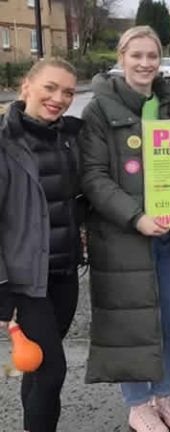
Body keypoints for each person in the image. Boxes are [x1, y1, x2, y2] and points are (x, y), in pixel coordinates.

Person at [80, 26, 170, 432]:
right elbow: (93, 176)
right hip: (125, 238)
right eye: (136, 55)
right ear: (121, 58)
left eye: (152, 56)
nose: (144, 63)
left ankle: (163, 393)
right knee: (134, 323)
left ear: (161, 59)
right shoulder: (98, 110)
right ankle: (138, 403)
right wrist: (136, 216)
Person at [0, 58, 83, 432]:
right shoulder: (4, 143)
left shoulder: (69, 136)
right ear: (26, 87)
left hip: (64, 274)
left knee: (36, 368)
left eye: (67, 92)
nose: (59, 98)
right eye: (50, 87)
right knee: (53, 371)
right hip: (24, 282)